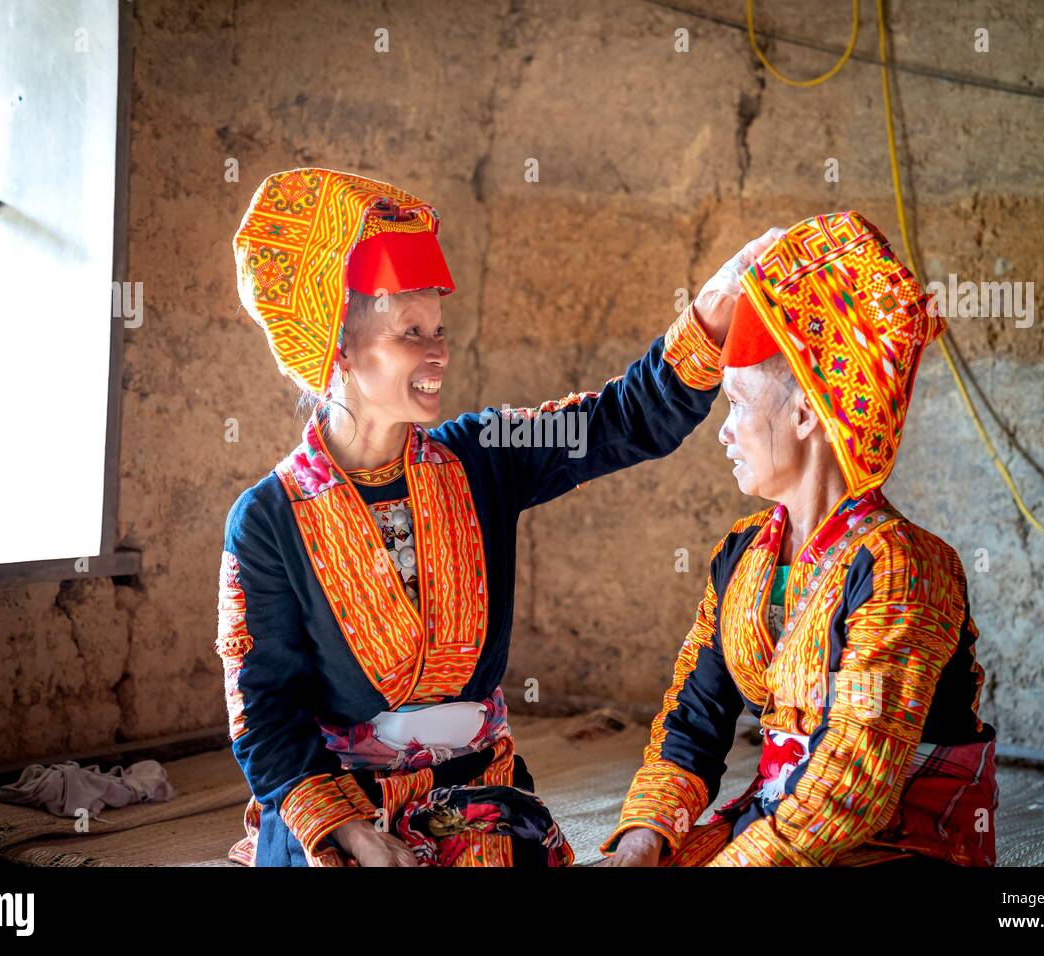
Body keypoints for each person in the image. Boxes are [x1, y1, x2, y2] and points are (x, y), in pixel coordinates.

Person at [216, 165, 781, 866]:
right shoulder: (268, 518)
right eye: (410, 333)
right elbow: (265, 712)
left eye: (440, 329)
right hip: (341, 806)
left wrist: (712, 310)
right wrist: (354, 833)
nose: (438, 352)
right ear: (338, 349)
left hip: (475, 798)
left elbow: (619, 421)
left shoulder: (483, 455)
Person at [599, 211, 998, 867]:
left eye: (736, 402)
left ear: (807, 410)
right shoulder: (743, 555)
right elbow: (695, 722)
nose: (722, 430)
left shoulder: (904, 567)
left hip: (896, 843)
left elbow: (853, 788)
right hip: (780, 821)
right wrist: (642, 843)